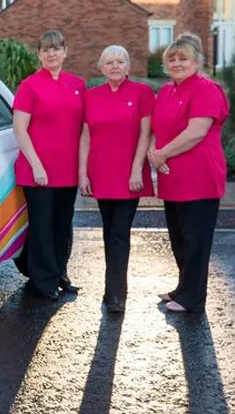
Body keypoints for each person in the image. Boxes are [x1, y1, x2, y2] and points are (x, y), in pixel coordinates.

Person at [148, 32, 229, 313]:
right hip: (173, 176)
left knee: (196, 239)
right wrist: (154, 155)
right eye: (172, 58)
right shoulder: (168, 91)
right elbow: (155, 129)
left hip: (200, 175)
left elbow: (196, 132)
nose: (177, 63)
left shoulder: (207, 89)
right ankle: (183, 288)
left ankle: (192, 297)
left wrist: (161, 155)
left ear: (196, 62)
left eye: (183, 58)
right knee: (180, 238)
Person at [79, 45, 155, 313]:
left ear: (128, 66)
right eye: (109, 62)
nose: (115, 66)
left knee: (119, 233)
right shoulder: (91, 96)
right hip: (101, 173)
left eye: (120, 61)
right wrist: (82, 173)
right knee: (108, 231)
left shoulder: (142, 93)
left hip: (129, 175)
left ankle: (117, 295)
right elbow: (86, 136)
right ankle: (111, 289)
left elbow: (146, 134)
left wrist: (137, 169)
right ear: (101, 67)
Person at [12, 30, 85, 300]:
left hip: (68, 169)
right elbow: (20, 129)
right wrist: (37, 166)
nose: (52, 53)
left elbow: (86, 128)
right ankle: (42, 282)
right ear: (39, 54)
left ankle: (59, 273)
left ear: (65, 51)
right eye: (46, 49)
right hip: (38, 171)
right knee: (42, 226)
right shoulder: (29, 85)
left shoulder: (78, 84)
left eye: (56, 48)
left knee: (63, 225)